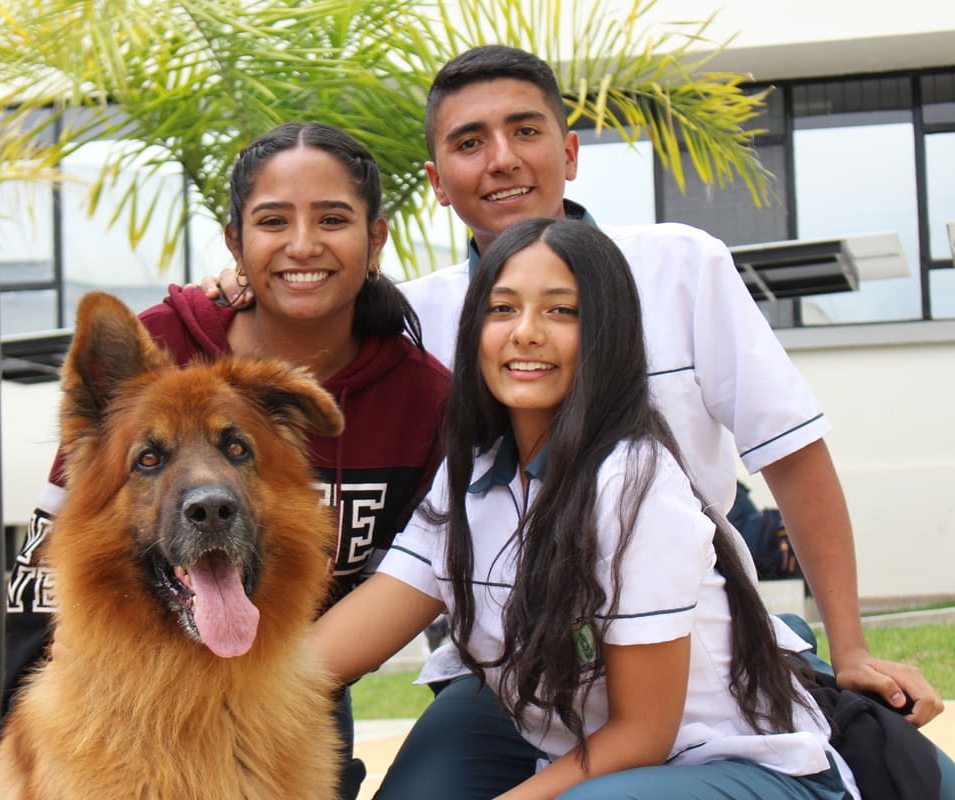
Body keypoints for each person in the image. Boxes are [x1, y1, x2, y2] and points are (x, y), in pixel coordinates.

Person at [372, 44, 955, 800]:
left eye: (525, 131)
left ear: (571, 150)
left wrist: (849, 646)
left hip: (684, 651)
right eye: (468, 142)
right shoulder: (416, 316)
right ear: (436, 181)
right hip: (513, 673)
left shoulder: (679, 266)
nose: (501, 160)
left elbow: (792, 454)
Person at [0, 122, 451, 799]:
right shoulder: (153, 346)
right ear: (235, 243)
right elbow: (47, 564)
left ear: (376, 240)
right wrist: (0, 757)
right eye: (273, 221)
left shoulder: (423, 394)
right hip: (113, 684)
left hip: (292, 675)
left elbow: (440, 563)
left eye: (333, 219)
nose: (303, 243)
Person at [315, 216, 863, 799]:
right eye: (502, 309)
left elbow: (642, 733)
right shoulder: (472, 473)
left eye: (561, 311)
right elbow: (326, 657)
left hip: (737, 764)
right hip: (599, 764)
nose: (525, 332)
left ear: (608, 335)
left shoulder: (634, 484)